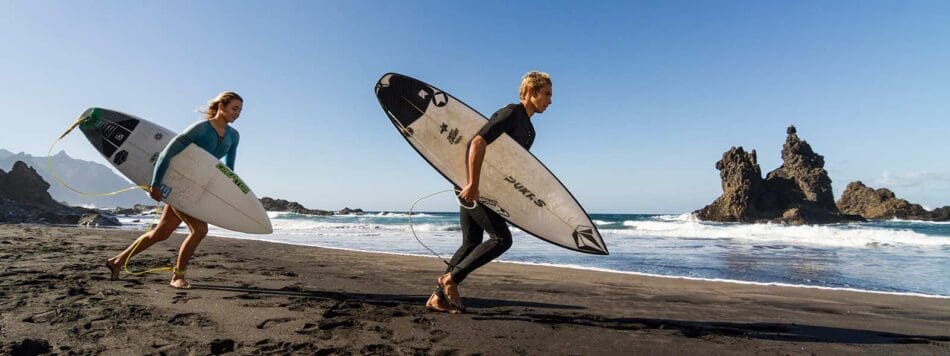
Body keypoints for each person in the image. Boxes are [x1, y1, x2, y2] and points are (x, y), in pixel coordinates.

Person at [427, 71, 553, 312]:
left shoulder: (530, 132)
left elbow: (509, 169)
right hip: (471, 186)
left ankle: (437, 297)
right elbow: (478, 142)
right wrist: (473, 184)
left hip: (485, 189)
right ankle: (449, 280)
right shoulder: (511, 113)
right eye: (546, 94)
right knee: (501, 239)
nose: (550, 101)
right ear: (531, 92)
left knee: (471, 242)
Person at [105, 91, 243, 289]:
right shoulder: (201, 129)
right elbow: (165, 154)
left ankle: (117, 261)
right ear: (221, 106)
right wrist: (156, 184)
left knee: (161, 233)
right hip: (178, 185)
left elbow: (228, 169)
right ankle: (177, 276)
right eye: (234, 108)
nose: (237, 114)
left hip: (197, 187)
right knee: (200, 230)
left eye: (240, 111)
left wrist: (227, 193)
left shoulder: (233, 136)